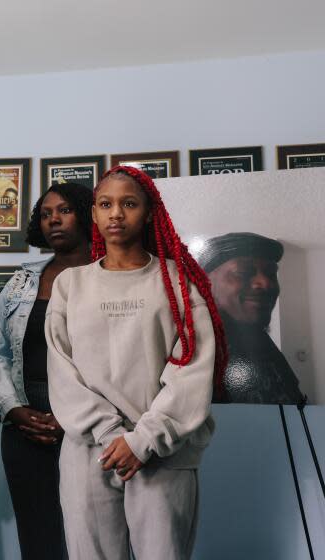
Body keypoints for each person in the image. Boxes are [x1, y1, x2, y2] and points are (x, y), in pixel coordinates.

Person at [45, 166, 227, 559]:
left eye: (128, 204)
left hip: (164, 452)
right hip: (90, 451)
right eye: (105, 204)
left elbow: (192, 371)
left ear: (148, 212)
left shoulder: (178, 283)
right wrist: (113, 437)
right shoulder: (69, 285)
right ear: (92, 214)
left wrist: (142, 441)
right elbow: (63, 373)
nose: (115, 214)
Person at [0, 182, 93, 559]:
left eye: (64, 210)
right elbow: (0, 353)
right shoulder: (24, 279)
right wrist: (13, 410)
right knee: (38, 537)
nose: (54, 220)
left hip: (89, 425)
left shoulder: (110, 273)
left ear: (85, 212)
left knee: (96, 536)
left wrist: (74, 417)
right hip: (25, 423)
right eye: (46, 214)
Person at [195, 232, 304, 404]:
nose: (265, 283)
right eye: (243, 272)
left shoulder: (266, 347)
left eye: (270, 274)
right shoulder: (190, 347)